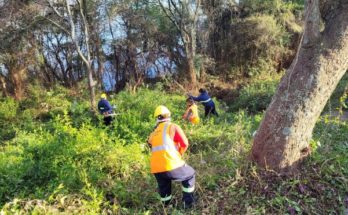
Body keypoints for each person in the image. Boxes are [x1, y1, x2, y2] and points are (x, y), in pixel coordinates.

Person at [148, 105, 196, 208]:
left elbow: (150, 144)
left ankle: (166, 206)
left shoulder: (153, 133)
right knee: (190, 174)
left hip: (156, 168)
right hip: (171, 165)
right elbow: (184, 143)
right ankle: (188, 203)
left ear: (157, 118)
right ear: (169, 116)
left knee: (164, 185)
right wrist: (179, 154)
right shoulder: (172, 126)